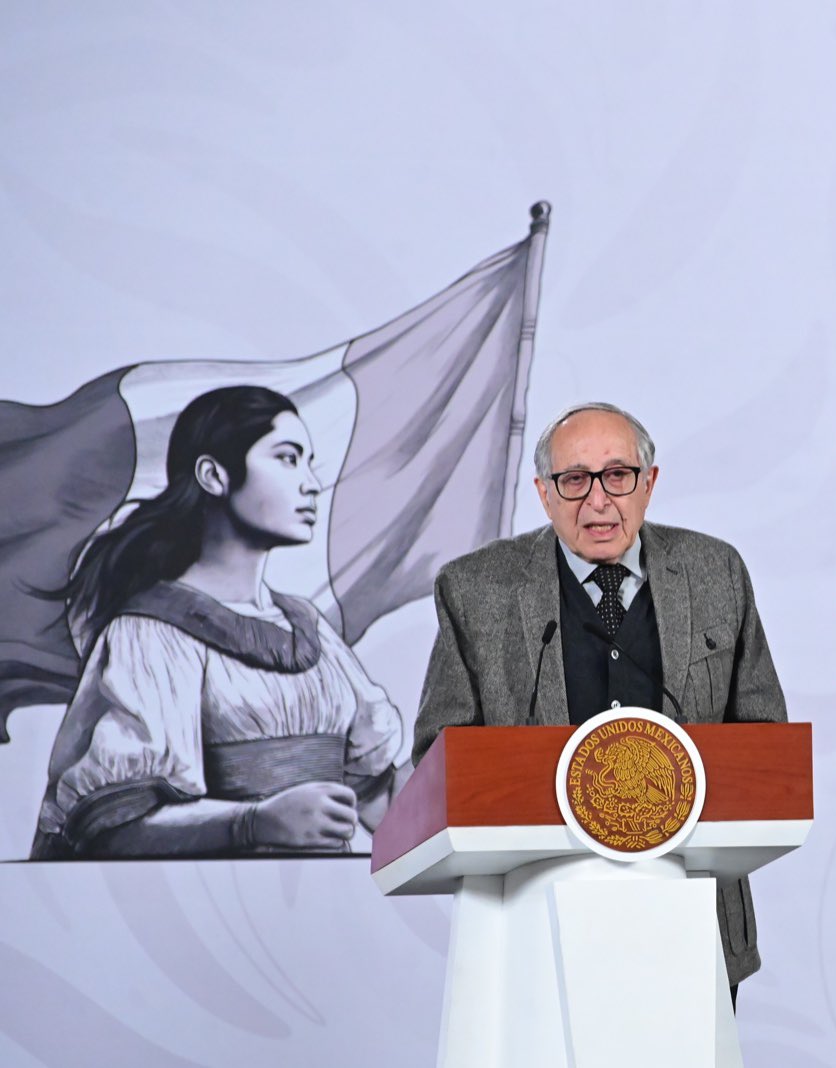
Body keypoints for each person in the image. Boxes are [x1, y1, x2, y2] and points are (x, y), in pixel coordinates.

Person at [413, 401, 787, 993]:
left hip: (693, 917)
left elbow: (765, 741)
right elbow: (439, 759)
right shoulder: (476, 589)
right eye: (574, 480)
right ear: (543, 492)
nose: (598, 501)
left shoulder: (716, 571)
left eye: (617, 475)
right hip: (536, 921)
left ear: (649, 482)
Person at [32, 386, 405, 859]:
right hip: (210, 913)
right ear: (213, 475)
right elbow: (112, 828)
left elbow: (381, 798)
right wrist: (255, 822)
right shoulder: (152, 632)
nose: (311, 483)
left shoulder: (307, 627)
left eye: (309, 462)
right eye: (288, 459)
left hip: (320, 907)